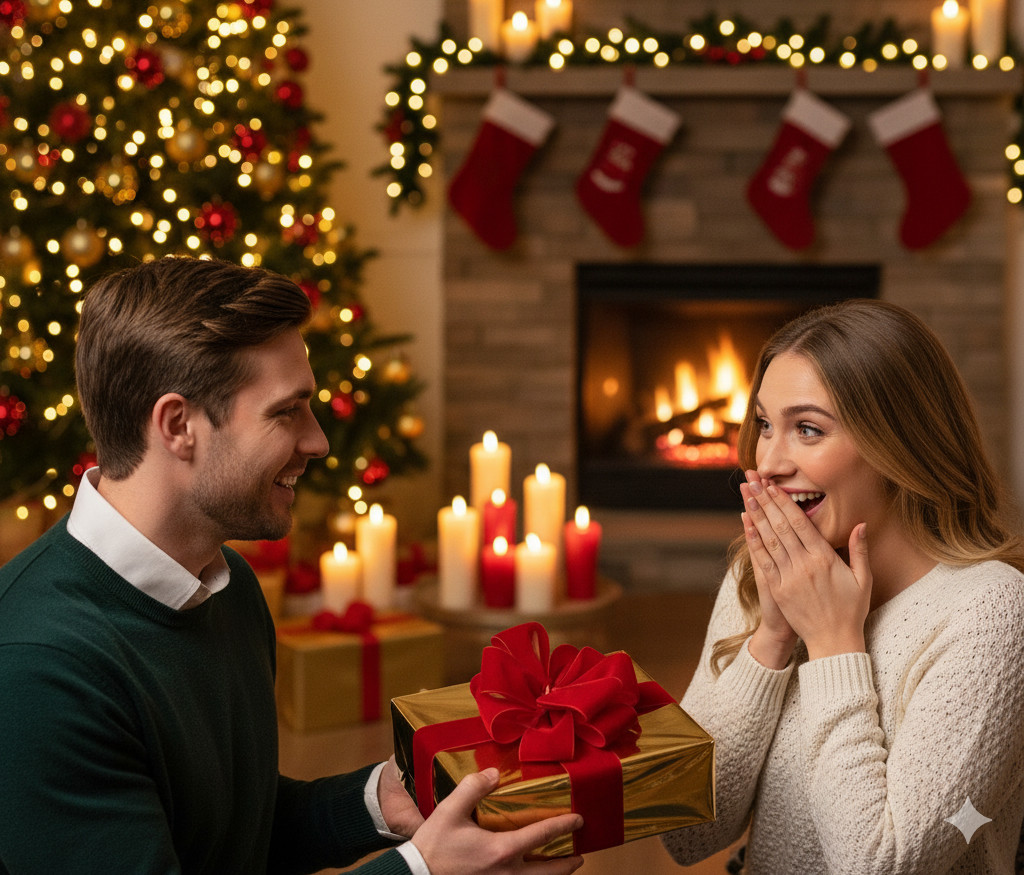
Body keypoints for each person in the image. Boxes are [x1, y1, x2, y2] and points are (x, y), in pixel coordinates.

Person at [0, 256, 584, 875]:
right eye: (286, 411)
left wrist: (380, 804)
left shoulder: (227, 586)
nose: (318, 440)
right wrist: (423, 871)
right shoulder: (37, 671)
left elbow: (226, 837)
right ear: (178, 425)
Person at [659, 298, 1024, 874]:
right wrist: (771, 640)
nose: (768, 462)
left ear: (900, 444)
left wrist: (833, 643)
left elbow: (878, 864)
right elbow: (685, 835)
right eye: (763, 425)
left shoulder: (990, 612)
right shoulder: (758, 577)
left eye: (807, 429)